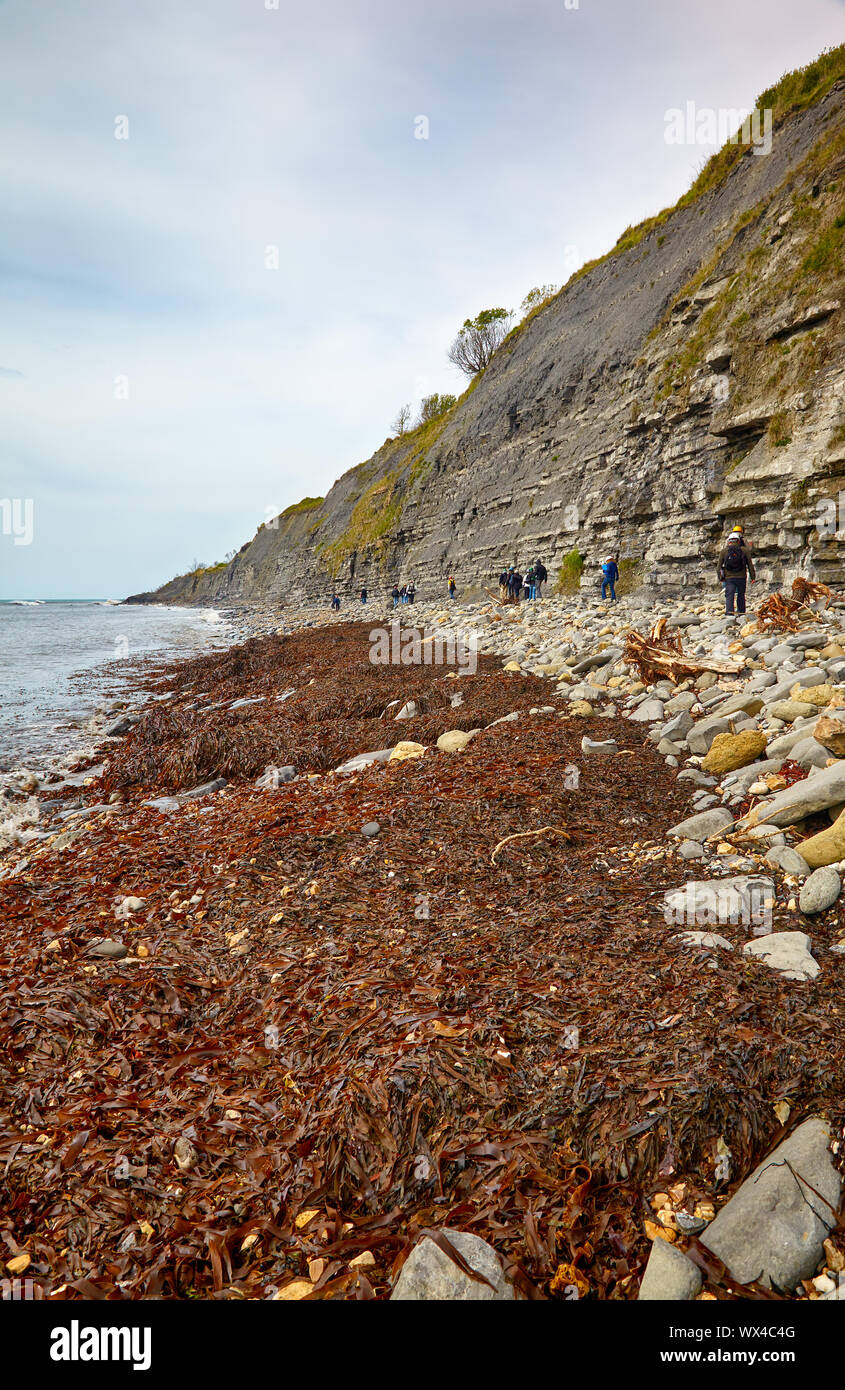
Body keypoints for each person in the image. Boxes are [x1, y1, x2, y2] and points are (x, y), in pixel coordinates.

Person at [718, 528, 755, 615]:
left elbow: (719, 567)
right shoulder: (745, 550)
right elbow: (750, 565)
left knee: (730, 595)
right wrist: (753, 577)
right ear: (738, 541)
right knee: (741, 595)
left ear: (729, 541)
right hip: (742, 577)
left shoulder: (724, 551)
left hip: (729, 578)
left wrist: (721, 578)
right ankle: (741, 612)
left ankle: (729, 612)